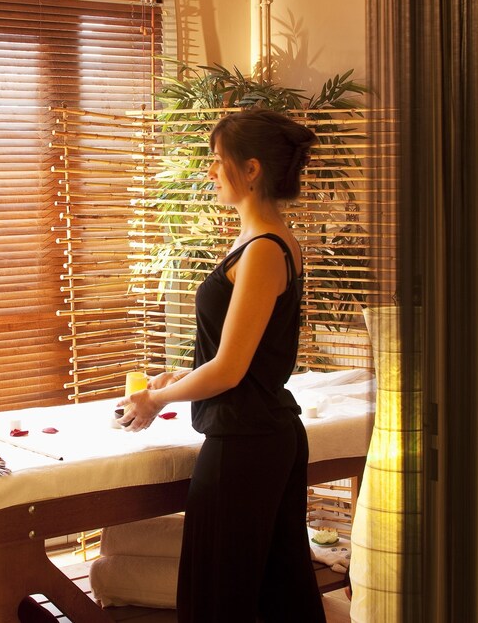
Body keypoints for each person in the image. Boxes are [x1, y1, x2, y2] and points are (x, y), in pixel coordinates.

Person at [117, 109, 325, 621]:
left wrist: (155, 399)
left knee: (221, 600)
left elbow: (231, 370)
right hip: (260, 437)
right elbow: (237, 357)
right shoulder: (262, 243)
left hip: (247, 446)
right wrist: (178, 377)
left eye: (217, 161)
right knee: (277, 594)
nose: (209, 171)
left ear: (251, 169)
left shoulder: (263, 250)